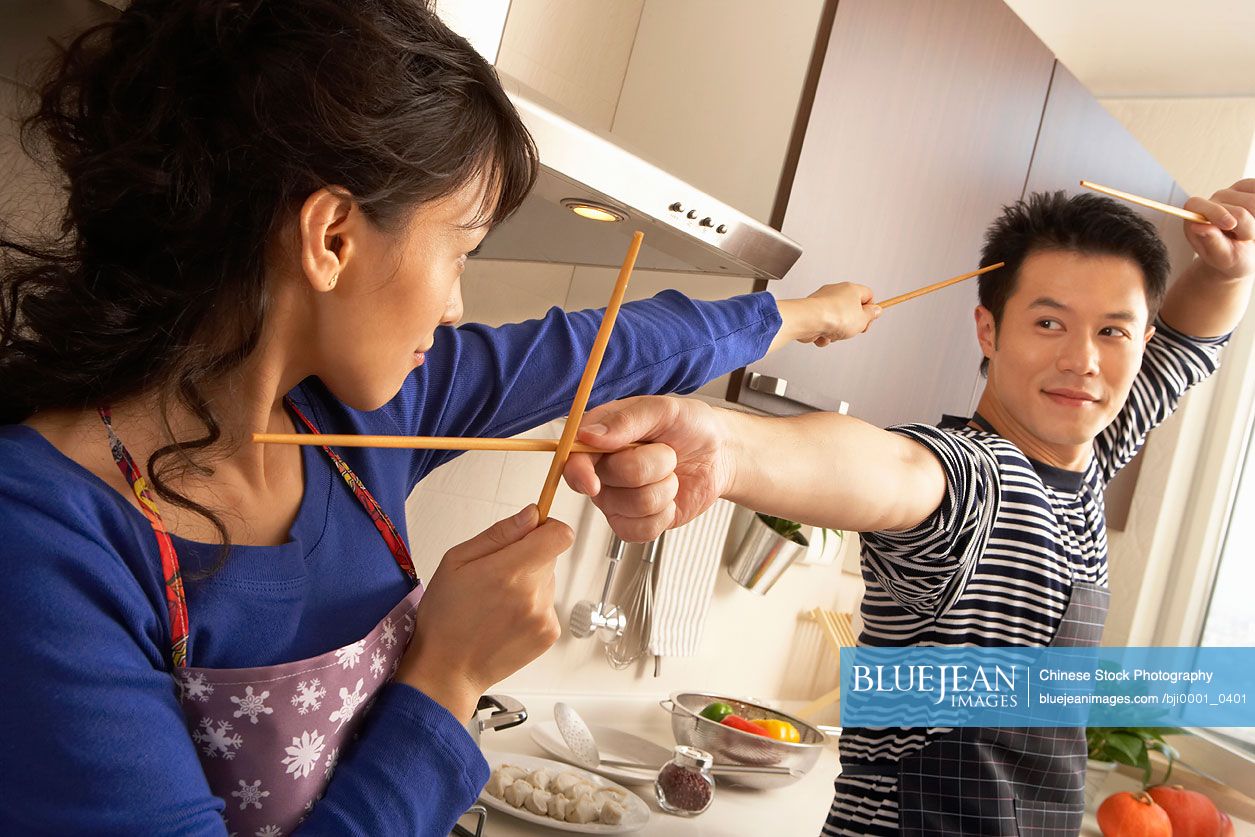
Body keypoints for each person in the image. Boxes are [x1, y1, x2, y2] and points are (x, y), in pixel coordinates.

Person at [0, 1, 882, 834]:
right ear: (333, 237)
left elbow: (598, 348)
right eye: (459, 248)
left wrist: (793, 317)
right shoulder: (40, 532)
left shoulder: (349, 418)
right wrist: (450, 674)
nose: (457, 305)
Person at [563, 183, 1255, 835]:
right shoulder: (976, 477)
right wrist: (725, 447)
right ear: (988, 330)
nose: (1082, 359)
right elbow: (893, 468)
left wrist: (1223, 271)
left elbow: (1188, 344)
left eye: (1113, 331)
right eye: (1048, 322)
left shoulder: (1089, 454)